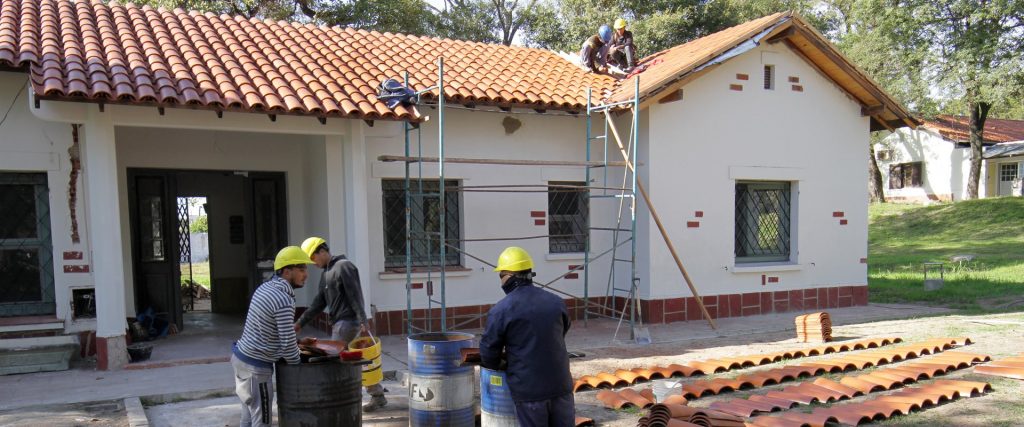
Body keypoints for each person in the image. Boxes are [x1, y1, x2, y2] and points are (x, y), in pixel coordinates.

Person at [480, 247, 574, 427]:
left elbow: (488, 354)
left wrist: (504, 364)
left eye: (501, 276)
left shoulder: (501, 310)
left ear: (509, 276)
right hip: (561, 387)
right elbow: (562, 331)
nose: (501, 281)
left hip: (530, 393)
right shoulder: (556, 302)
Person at [294, 236, 387, 412]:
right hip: (339, 323)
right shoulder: (326, 273)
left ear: (322, 251)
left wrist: (362, 319)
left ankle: (339, 400)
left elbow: (354, 294)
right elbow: (318, 303)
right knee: (352, 361)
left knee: (335, 362)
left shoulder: (343, 266)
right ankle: (376, 395)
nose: (312, 263)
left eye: (313, 258)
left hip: (347, 324)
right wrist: (300, 323)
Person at [231, 246, 312, 427]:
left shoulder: (265, 288)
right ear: (286, 271)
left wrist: (298, 342)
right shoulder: (283, 299)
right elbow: (288, 345)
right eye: (301, 269)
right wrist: (299, 369)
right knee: (262, 421)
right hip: (256, 369)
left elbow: (270, 331)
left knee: (248, 417)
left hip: (241, 359)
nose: (306, 274)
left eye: (306, 269)